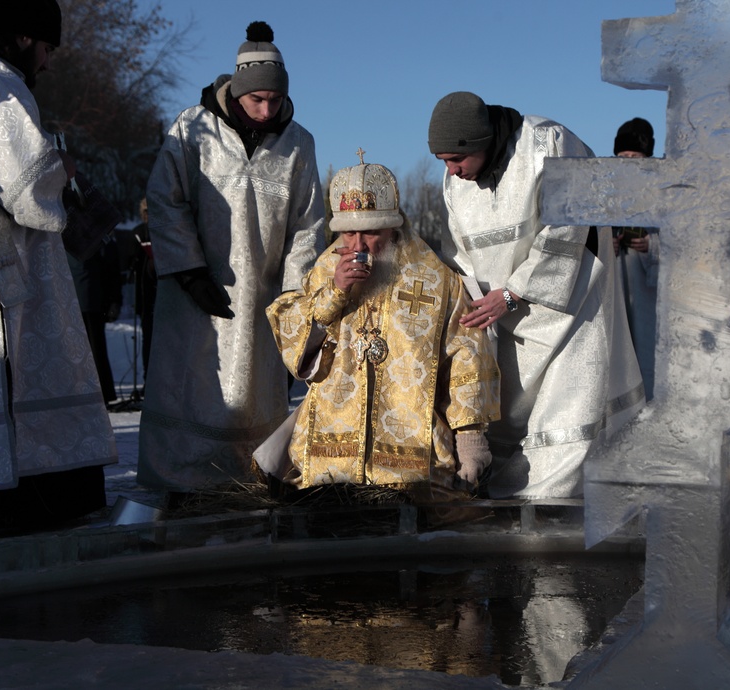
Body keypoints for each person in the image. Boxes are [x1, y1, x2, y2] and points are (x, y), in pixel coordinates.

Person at [0, 0, 117, 532]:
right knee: (16, 391)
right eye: (47, 48)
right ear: (23, 39)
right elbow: (29, 187)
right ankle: (22, 515)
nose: (49, 63)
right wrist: (65, 169)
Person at [137, 21, 325, 497]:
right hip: (194, 298)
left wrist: (291, 296)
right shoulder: (192, 129)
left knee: (251, 398)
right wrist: (189, 269)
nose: (266, 110)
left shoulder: (298, 144)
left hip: (263, 302)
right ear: (236, 92)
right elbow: (164, 198)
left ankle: (253, 481)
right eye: (256, 100)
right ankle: (181, 487)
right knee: (194, 390)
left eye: (275, 100)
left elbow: (308, 225)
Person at [428, 91, 644, 499]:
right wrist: (471, 300)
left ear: (481, 144)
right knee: (510, 423)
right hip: (502, 319)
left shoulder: (548, 144)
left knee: (568, 420)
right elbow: (457, 253)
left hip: (573, 311)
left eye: (457, 160)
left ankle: (562, 517)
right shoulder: (455, 183)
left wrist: (513, 293)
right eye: (444, 162)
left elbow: (571, 224)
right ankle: (514, 517)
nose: (453, 172)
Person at [261, 159, 500, 492]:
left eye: (371, 232)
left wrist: (471, 441)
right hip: (331, 453)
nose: (357, 246)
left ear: (394, 227)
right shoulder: (326, 268)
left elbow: (468, 354)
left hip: (414, 456)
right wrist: (334, 293)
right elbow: (294, 334)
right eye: (348, 233)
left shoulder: (436, 280)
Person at [612, 118, 660, 402]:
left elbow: (684, 238)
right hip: (617, 281)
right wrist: (608, 243)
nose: (628, 163)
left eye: (634, 157)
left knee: (646, 348)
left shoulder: (662, 188)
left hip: (648, 287)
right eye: (623, 157)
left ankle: (650, 402)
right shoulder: (607, 189)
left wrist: (654, 244)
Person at [66, 236, 123, 404]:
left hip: (77, 298)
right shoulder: (98, 235)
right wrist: (114, 299)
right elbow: (111, 269)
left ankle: (91, 393)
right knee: (95, 349)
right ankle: (101, 393)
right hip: (89, 298)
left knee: (87, 350)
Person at [131, 197, 157, 380]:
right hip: (145, 294)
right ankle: (148, 377)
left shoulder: (164, 233)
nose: (148, 215)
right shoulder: (138, 233)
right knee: (147, 339)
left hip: (162, 293)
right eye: (145, 212)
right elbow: (131, 262)